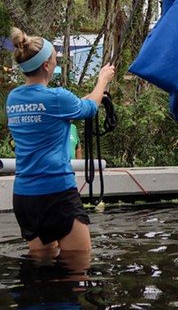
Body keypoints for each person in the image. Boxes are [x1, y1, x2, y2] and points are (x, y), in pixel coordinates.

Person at [7, 27, 115, 255]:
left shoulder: (13, 98)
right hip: (56, 193)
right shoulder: (57, 98)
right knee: (79, 264)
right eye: (55, 58)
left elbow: (61, 109)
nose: (57, 62)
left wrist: (89, 97)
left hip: (25, 197)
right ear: (46, 65)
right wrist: (102, 80)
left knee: (41, 268)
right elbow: (88, 108)